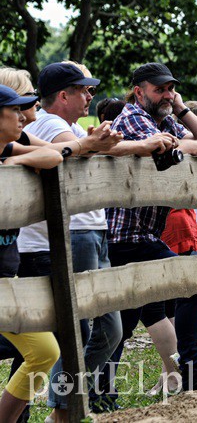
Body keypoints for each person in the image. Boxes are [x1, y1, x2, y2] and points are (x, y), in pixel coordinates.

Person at [101, 63, 197, 400]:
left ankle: (101, 391)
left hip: (143, 236)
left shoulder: (164, 119)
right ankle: (193, 368)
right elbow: (174, 152)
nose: (166, 95)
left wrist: (181, 110)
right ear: (139, 91)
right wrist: (181, 146)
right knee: (194, 284)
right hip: (127, 236)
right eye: (159, 89)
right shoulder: (133, 117)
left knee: (124, 319)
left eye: (170, 89)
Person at [13, 62, 125, 421]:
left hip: (86, 229)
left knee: (105, 327)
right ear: (63, 95)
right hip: (67, 235)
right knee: (72, 329)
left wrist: (93, 145)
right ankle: (62, 408)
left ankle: (63, 404)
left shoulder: (70, 127)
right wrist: (92, 146)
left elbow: (72, 151)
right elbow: (68, 151)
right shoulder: (52, 124)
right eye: (84, 90)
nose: (91, 96)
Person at [0, 84, 62, 422]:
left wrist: (13, 157)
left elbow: (54, 155)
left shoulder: (7, 148)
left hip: (7, 282)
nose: (24, 116)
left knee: (45, 350)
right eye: (14, 110)